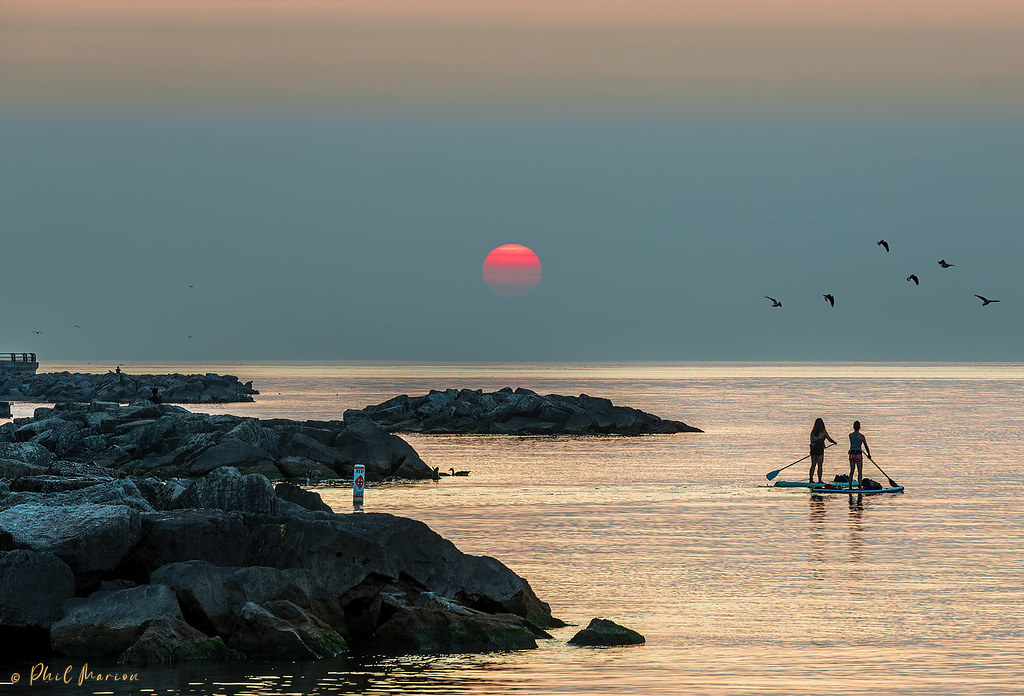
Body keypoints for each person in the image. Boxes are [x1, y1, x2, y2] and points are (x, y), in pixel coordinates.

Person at [808, 418, 837, 483]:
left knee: (813, 464)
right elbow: (829, 439)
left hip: (813, 449)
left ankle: (811, 479)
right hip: (819, 449)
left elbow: (812, 441)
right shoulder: (823, 431)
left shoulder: (812, 432)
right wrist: (834, 442)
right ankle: (819, 480)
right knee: (820, 465)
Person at [848, 421, 872, 489]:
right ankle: (860, 485)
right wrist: (869, 454)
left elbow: (853, 444)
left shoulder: (850, 435)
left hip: (851, 454)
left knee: (852, 470)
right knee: (859, 471)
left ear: (853, 427)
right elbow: (866, 446)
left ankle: (850, 486)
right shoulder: (861, 436)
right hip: (858, 454)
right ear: (860, 427)